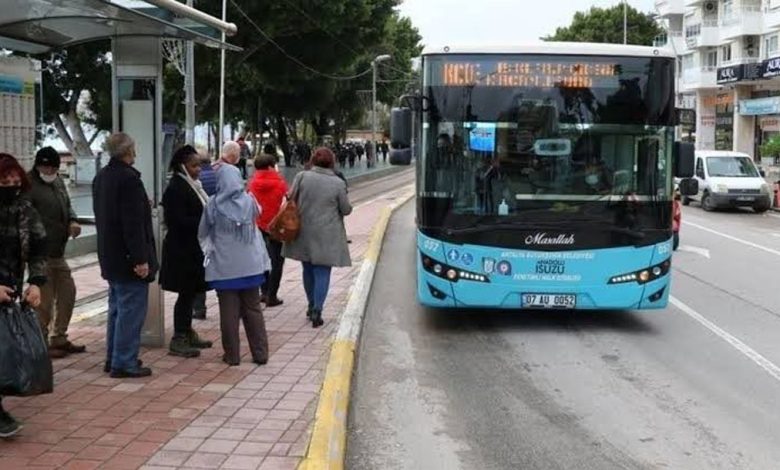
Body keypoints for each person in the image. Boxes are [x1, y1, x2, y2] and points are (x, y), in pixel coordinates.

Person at [93, 133, 157, 378]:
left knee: (117, 309)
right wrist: (140, 259)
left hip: (109, 254)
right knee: (131, 311)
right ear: (129, 150)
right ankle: (124, 362)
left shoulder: (102, 177)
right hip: (128, 257)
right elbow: (132, 224)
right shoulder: (130, 180)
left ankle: (114, 356)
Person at [199, 165, 270, 366]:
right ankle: (260, 353)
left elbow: (203, 232)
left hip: (224, 267)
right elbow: (259, 215)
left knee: (228, 313)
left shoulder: (212, 204)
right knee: (253, 310)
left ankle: (232, 356)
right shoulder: (249, 200)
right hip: (251, 265)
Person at [0, 153, 47, 438]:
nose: (11, 185)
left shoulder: (25, 209)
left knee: (6, 350)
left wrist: (37, 283)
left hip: (11, 292)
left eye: (15, 179)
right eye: (5, 180)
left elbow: (39, 248)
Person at [26, 147, 85, 359]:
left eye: (53, 167)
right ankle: (40, 342)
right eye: (45, 166)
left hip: (58, 251)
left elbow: (67, 205)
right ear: (38, 165)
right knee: (44, 301)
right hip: (40, 253)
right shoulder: (28, 185)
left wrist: (73, 220)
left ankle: (59, 336)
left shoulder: (58, 182)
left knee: (68, 292)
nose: (49, 171)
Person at [283, 147, 352, 328]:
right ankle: (317, 309)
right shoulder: (338, 183)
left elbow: (290, 197)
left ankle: (311, 304)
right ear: (332, 162)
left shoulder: (302, 177)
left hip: (303, 231)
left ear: (313, 160)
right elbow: (346, 209)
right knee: (322, 272)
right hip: (327, 234)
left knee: (307, 269)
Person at [160, 145, 213, 358]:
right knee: (185, 293)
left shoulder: (193, 186)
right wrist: (205, 221)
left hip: (192, 249)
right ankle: (179, 337)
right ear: (183, 166)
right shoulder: (176, 188)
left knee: (190, 293)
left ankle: (187, 330)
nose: (198, 169)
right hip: (182, 251)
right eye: (194, 165)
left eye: (199, 164)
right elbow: (177, 221)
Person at [248, 154, 289, 308]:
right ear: (272, 166)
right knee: (277, 261)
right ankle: (272, 295)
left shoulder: (252, 183)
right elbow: (287, 202)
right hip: (276, 226)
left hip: (257, 225)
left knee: (261, 259)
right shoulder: (280, 183)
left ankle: (263, 292)